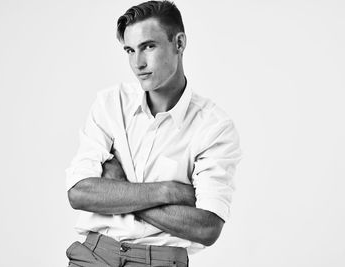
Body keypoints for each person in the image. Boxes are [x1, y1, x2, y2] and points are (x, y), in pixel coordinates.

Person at [65, 1, 241, 266]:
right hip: (95, 254)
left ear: (179, 43)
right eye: (129, 50)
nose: (138, 63)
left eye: (149, 46)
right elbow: (79, 193)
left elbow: (207, 228)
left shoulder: (213, 128)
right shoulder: (110, 104)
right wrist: (170, 191)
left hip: (159, 260)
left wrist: (119, 191)